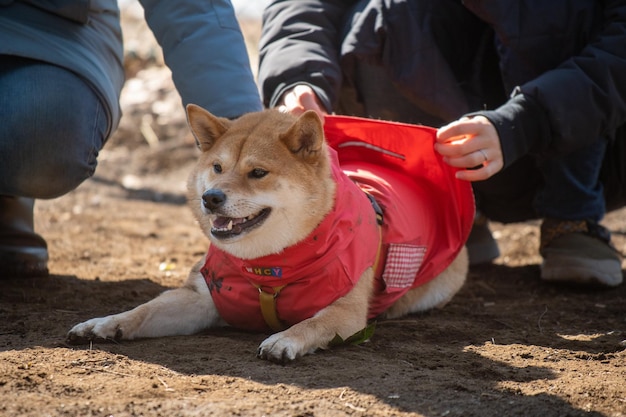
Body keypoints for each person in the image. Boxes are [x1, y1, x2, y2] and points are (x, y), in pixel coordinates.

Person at [257, 0, 626, 287]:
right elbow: (302, 8)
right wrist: (297, 80)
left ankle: (573, 217)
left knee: (558, 11)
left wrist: (523, 122)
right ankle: (449, 209)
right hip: (467, 146)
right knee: (378, 14)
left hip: (597, 148)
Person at [0, 0, 263, 278]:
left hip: (49, 30)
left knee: (46, 120)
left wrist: (240, 128)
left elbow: (190, 9)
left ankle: (8, 195)